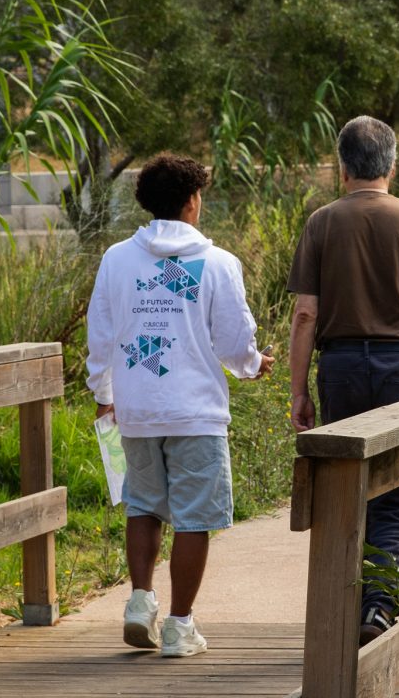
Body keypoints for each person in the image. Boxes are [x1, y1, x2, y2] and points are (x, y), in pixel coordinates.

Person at [86, 153, 274, 657]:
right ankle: (179, 625)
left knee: (143, 505)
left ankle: (139, 600)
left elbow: (101, 335)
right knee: (194, 518)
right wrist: (253, 365)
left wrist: (104, 395)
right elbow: (233, 341)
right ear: (192, 201)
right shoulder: (218, 263)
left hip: (136, 408)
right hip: (195, 412)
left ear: (148, 202)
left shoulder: (117, 259)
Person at [287, 115, 399, 646]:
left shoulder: (320, 223)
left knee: (347, 488)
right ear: (392, 166)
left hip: (340, 368)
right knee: (398, 495)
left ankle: (347, 605)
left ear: (342, 168)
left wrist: (298, 390)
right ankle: (381, 604)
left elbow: (305, 315)